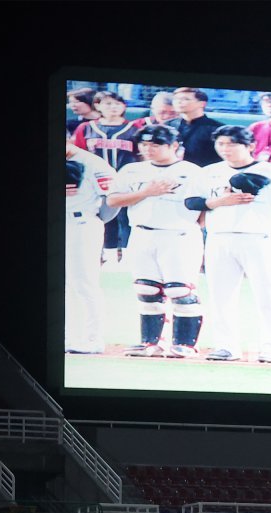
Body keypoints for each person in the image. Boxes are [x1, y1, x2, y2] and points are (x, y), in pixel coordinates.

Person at [188, 125, 271, 363]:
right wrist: (219, 201)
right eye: (221, 144)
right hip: (220, 238)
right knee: (221, 296)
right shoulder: (209, 172)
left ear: (250, 146)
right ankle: (226, 346)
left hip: (260, 239)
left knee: (269, 295)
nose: (225, 149)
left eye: (231, 144)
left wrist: (266, 225)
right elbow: (191, 201)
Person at [107, 125, 205, 358]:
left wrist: (189, 227)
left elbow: (203, 207)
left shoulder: (192, 172)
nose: (148, 149)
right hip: (141, 233)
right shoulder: (132, 170)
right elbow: (113, 200)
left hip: (178, 234)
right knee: (146, 288)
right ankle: (150, 342)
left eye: (156, 144)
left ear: (173, 146)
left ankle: (185, 344)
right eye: (144, 144)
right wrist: (146, 192)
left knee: (180, 289)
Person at [62, 142, 119, 356]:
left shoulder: (93, 163)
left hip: (82, 223)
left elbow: (112, 201)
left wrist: (97, 221)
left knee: (84, 283)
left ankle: (93, 339)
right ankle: (68, 336)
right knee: (63, 285)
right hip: (61, 223)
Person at [72, 90, 142, 261]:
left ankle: (126, 255)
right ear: (97, 105)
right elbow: (77, 154)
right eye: (108, 103)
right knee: (101, 215)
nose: (113, 107)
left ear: (124, 106)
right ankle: (106, 254)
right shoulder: (86, 128)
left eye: (117, 103)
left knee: (126, 217)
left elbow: (141, 155)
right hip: (95, 180)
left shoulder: (134, 128)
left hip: (126, 178)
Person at [172, 86, 223, 167]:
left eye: (185, 99)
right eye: (176, 99)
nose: (179, 102)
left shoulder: (217, 129)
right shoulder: (167, 125)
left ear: (202, 103)